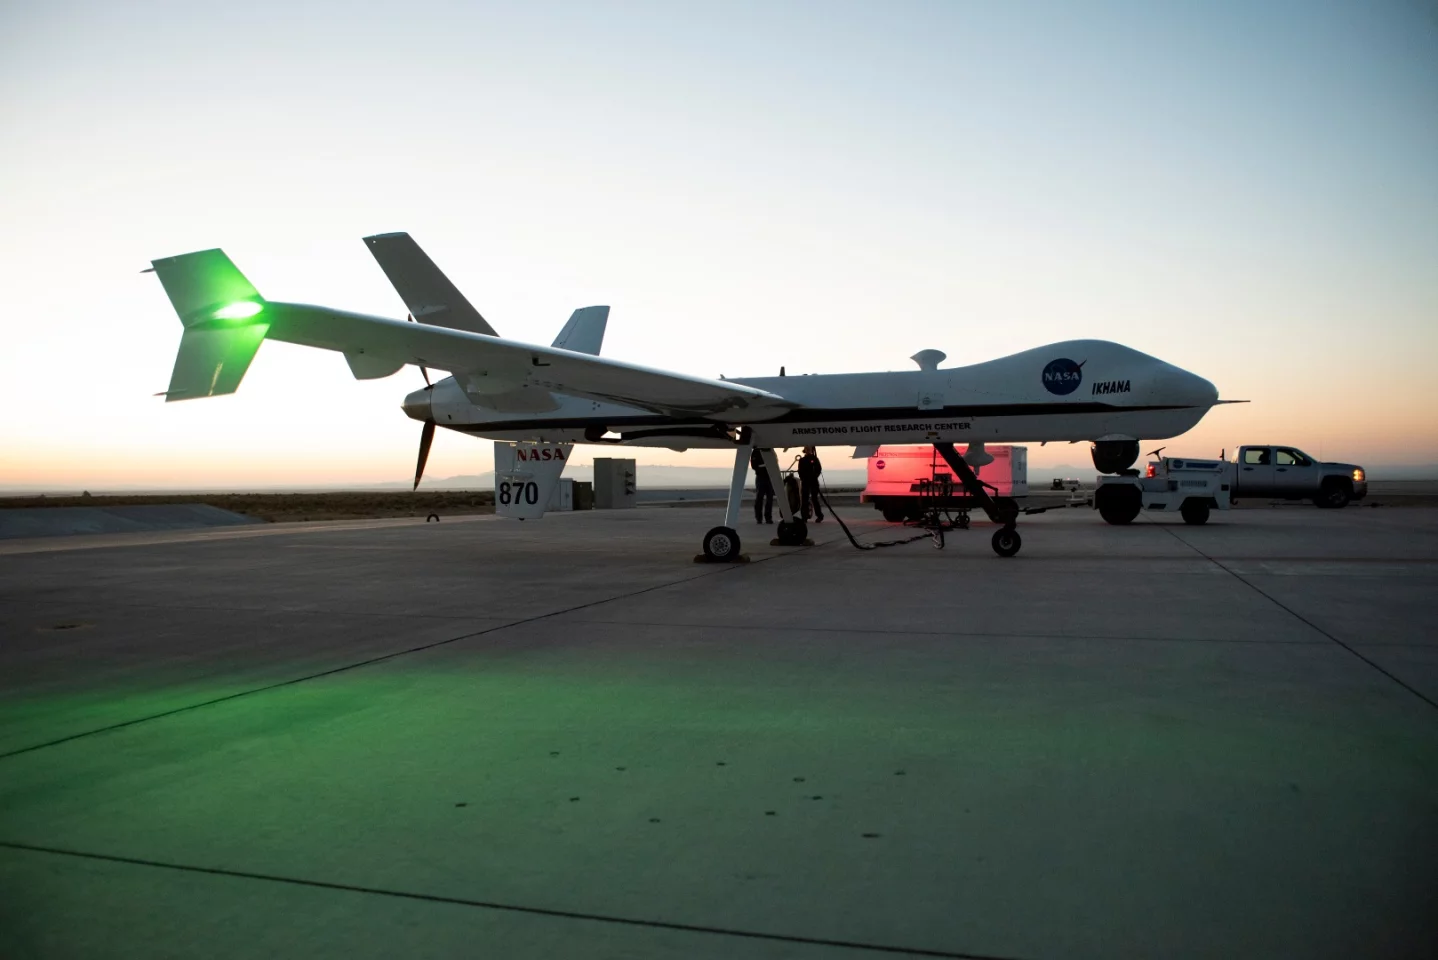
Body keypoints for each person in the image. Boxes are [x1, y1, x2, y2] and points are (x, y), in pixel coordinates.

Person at [798, 446, 823, 522]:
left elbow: (818, 469)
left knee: (814, 499)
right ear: (804, 450)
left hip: (813, 482)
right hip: (805, 482)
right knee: (804, 499)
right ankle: (804, 516)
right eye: (807, 449)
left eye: (809, 449)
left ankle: (819, 516)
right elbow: (800, 471)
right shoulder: (802, 460)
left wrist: (814, 476)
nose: (808, 450)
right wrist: (804, 478)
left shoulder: (815, 459)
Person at [750, 447, 775, 524]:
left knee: (770, 498)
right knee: (759, 498)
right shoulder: (756, 451)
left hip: (769, 477)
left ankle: (768, 518)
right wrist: (764, 466)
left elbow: (774, 461)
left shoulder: (770, 449)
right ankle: (759, 518)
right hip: (761, 477)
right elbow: (754, 466)